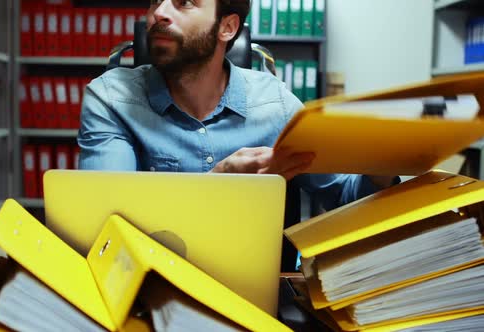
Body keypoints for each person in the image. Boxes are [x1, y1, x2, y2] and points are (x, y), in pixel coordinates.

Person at [78, 0, 397, 259]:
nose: (158, 12)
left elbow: (344, 194)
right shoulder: (111, 99)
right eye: (155, 1)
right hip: (151, 283)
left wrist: (381, 168)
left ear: (227, 27)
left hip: (258, 291)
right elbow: (105, 225)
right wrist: (214, 188)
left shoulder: (276, 104)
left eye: (183, 2)